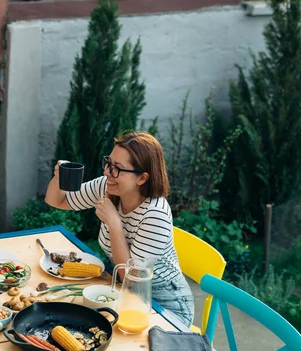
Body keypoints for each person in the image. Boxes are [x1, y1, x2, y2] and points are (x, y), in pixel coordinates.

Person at [45, 132, 194, 326]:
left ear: (142, 178)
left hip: (164, 303)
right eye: (108, 162)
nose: (108, 172)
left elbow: (131, 280)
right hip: (122, 288)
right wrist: (59, 177)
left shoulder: (155, 214)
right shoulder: (108, 186)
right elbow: (56, 200)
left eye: (117, 168)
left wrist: (114, 224)